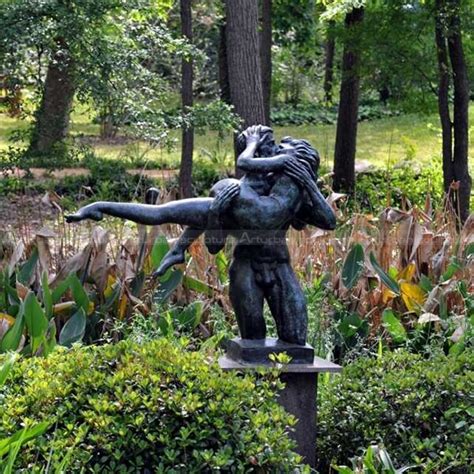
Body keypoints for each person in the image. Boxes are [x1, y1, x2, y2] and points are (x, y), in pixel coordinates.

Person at [67, 126, 336, 345]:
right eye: (273, 149)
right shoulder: (234, 192)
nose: (276, 153)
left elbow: (328, 221)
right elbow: (212, 244)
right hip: (245, 268)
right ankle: (98, 206)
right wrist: (217, 213)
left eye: (279, 150)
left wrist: (308, 182)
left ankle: (103, 209)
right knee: (252, 344)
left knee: (296, 340)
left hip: (280, 267)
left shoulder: (290, 193)